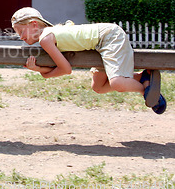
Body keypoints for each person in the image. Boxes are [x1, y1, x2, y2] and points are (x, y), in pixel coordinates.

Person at [11, 7, 166, 114]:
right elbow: (57, 67)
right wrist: (39, 70)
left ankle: (149, 92)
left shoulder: (46, 39)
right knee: (99, 87)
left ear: (33, 24)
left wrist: (44, 74)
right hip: (99, 46)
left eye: (22, 32)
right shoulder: (48, 37)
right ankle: (143, 78)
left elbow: (65, 69)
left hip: (109, 37)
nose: (21, 37)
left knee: (117, 83)